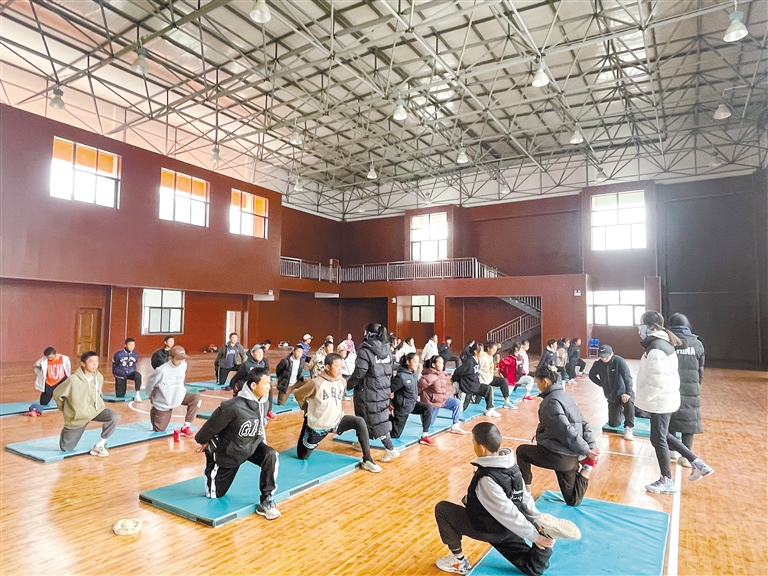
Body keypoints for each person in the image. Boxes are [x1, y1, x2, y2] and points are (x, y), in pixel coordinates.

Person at [434, 422, 581, 576]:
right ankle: (546, 539)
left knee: (443, 509)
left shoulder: (486, 478)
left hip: (491, 528)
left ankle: (458, 561)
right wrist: (536, 520)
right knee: (533, 568)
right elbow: (524, 497)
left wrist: (533, 536)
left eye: (473, 442)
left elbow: (506, 512)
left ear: (481, 448)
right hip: (509, 530)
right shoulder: (512, 466)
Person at [636, 311, 714, 494]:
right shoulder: (663, 343)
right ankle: (697, 462)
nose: (639, 329)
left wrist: (643, 397)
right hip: (666, 398)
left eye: (641, 325)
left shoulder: (657, 347)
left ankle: (667, 481)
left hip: (660, 400)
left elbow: (658, 380)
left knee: (658, 439)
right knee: (662, 435)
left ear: (650, 326)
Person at [194, 367, 281, 520]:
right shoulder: (232, 407)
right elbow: (206, 430)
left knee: (271, 455)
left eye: (270, 383)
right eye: (266, 383)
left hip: (251, 445)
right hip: (230, 453)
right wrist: (205, 441)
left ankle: (266, 500)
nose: (269, 387)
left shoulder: (265, 402)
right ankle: (212, 461)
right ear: (253, 385)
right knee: (215, 494)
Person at [517, 363, 598, 507]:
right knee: (573, 500)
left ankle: (526, 493)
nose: (537, 386)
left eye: (537, 382)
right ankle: (587, 468)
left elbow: (565, 430)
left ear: (545, 381)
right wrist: (591, 447)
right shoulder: (567, 397)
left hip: (558, 457)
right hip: (572, 457)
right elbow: (584, 423)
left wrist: (586, 449)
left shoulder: (550, 402)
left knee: (522, 452)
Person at [293, 353, 381, 473]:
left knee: (359, 422)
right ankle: (306, 424)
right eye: (337, 366)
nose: (340, 369)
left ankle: (367, 459)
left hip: (337, 421)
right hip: (318, 427)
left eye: (341, 366)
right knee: (302, 456)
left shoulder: (342, 381)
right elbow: (298, 395)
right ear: (327, 367)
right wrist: (306, 409)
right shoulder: (316, 383)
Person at [346, 323, 399, 463]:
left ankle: (390, 449)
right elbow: (389, 370)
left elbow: (359, 372)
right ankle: (362, 442)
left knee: (375, 421)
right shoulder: (387, 349)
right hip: (382, 390)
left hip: (368, 392)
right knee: (371, 418)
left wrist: (347, 385)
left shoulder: (365, 350)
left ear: (368, 333)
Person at [53, 351, 120, 456]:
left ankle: (100, 445)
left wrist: (98, 403)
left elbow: (99, 392)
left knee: (114, 417)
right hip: (78, 416)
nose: (95, 364)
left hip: (96, 411)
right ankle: (67, 432)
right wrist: (66, 409)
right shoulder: (73, 380)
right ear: (83, 364)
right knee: (66, 448)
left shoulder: (99, 377)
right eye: (91, 362)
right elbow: (57, 394)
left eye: (96, 361)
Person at [667, 313, 706, 468]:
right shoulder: (697, 344)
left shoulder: (666, 342)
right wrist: (696, 384)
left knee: (670, 416)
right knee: (689, 419)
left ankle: (672, 450)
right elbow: (700, 369)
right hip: (691, 387)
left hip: (669, 385)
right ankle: (686, 455)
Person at [145, 346, 200, 437]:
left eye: (182, 359)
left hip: (179, 395)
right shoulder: (161, 371)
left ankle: (186, 427)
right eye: (178, 359)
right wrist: (150, 395)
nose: (181, 361)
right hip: (164, 402)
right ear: (170, 358)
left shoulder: (184, 365)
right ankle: (155, 411)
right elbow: (150, 383)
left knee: (196, 398)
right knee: (159, 429)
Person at [588, 344, 635, 441]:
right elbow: (591, 375)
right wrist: (602, 384)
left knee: (629, 402)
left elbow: (627, 377)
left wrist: (628, 393)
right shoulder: (598, 364)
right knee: (613, 424)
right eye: (602, 357)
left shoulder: (619, 361)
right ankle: (621, 413)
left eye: (606, 357)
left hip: (623, 393)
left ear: (612, 354)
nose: (604, 359)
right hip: (611, 395)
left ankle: (629, 427)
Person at [391, 353, 434, 445]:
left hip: (412, 404)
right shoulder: (401, 376)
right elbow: (389, 390)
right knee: (395, 435)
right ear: (408, 362)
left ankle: (425, 435)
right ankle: (385, 421)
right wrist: (390, 406)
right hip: (402, 408)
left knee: (427, 408)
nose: (417, 364)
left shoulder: (413, 373)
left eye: (418, 362)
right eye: (415, 362)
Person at [418, 355, 467, 434]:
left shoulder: (442, 374)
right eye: (440, 363)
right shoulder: (428, 377)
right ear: (433, 365)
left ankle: (455, 424)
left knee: (457, 403)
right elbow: (418, 388)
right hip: (432, 403)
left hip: (442, 400)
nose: (442, 365)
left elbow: (444, 387)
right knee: (429, 424)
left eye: (442, 363)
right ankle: (424, 414)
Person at [452, 343, 500, 418]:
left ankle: (490, 409)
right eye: (481, 351)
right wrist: (457, 382)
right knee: (461, 409)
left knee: (488, 389)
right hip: (467, 389)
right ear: (475, 351)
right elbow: (457, 372)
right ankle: (453, 399)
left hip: (475, 386)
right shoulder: (469, 362)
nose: (483, 352)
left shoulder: (476, 361)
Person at [229, 345, 274, 419]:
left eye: (262, 353)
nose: (260, 355)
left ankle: (268, 411)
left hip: (259, 385)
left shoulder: (262, 363)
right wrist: (232, 385)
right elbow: (238, 376)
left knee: (269, 389)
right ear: (252, 353)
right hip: (248, 386)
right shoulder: (246, 365)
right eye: (258, 353)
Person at [479, 342, 515, 409]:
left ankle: (507, 401)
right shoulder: (482, 358)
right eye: (493, 350)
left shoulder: (490, 356)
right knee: (476, 401)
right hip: (483, 381)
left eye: (495, 350)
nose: (494, 352)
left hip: (489, 378)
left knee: (503, 381)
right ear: (488, 349)